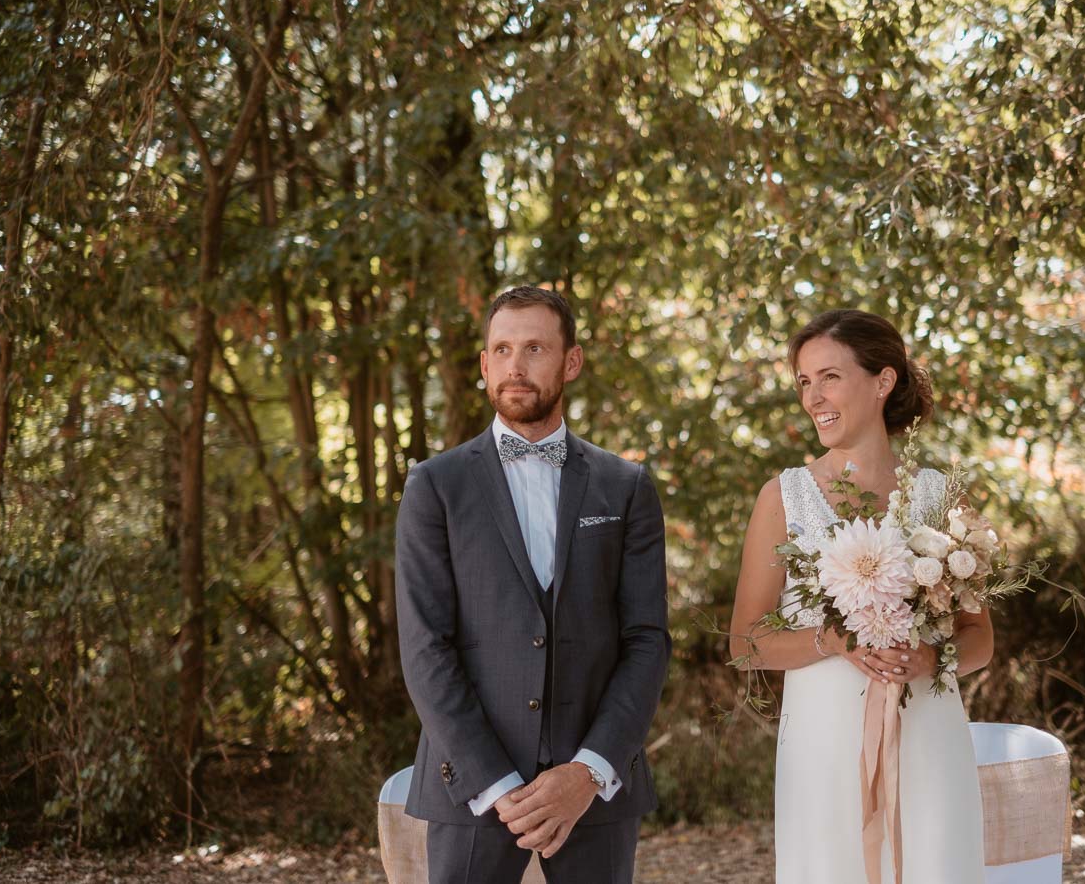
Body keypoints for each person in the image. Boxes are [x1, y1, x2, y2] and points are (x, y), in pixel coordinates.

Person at [396, 286, 670, 884]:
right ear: (485, 365)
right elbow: (424, 649)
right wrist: (499, 788)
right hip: (471, 791)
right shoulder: (434, 487)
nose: (516, 365)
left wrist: (588, 772)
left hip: (594, 796)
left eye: (535, 348)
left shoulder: (625, 486)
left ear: (570, 361)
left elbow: (647, 640)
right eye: (502, 349)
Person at [729, 308, 992, 883]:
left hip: (929, 733)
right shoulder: (784, 499)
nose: (812, 396)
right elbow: (747, 643)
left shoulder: (938, 496)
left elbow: (980, 640)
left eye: (829, 376)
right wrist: (830, 640)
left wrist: (930, 658)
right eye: (803, 381)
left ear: (883, 381)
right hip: (823, 747)